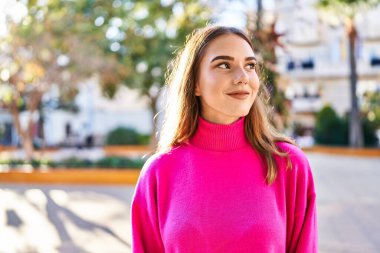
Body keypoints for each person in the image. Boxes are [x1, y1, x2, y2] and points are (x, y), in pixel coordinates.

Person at [131, 26, 317, 253]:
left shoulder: (288, 163)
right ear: (195, 83)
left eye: (250, 66)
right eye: (224, 65)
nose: (243, 77)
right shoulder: (158, 172)